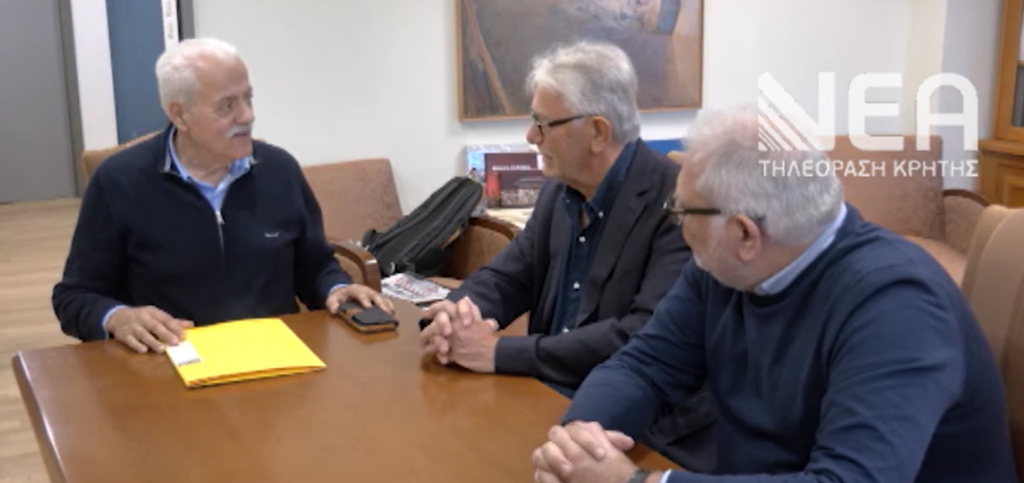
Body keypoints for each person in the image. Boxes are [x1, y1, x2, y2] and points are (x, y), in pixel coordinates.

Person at [530, 106, 1018, 483]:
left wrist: (638, 482)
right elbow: (645, 366)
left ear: (745, 234)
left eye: (681, 211)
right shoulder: (721, 266)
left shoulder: (897, 308)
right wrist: (577, 442)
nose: (675, 223)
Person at [417, 41, 716, 471]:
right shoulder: (559, 190)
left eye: (543, 123)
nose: (530, 137)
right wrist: (459, 312)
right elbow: (510, 275)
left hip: (628, 428)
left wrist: (499, 352)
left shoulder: (677, 203)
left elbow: (641, 335)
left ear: (597, 132)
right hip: (541, 396)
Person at [52, 38, 392, 354]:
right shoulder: (119, 181)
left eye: (248, 98)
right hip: (169, 364)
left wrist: (336, 289)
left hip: (274, 360)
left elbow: (314, 266)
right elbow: (74, 297)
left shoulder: (280, 170)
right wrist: (116, 317)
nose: (247, 115)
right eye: (227, 105)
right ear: (179, 114)